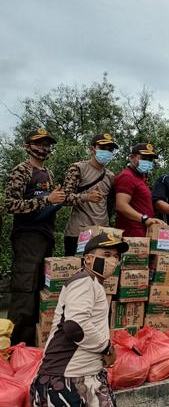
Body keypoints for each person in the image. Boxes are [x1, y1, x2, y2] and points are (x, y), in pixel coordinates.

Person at [31, 232, 129, 407]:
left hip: (83, 377)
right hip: (67, 379)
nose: (112, 260)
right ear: (88, 259)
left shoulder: (92, 282)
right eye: (106, 255)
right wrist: (106, 348)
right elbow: (75, 325)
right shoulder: (84, 281)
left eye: (116, 256)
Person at [4, 128, 65, 346]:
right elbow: (11, 205)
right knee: (24, 289)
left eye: (47, 144)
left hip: (45, 236)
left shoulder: (48, 173)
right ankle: (13, 346)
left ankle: (30, 346)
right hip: (26, 236)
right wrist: (47, 200)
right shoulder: (21, 171)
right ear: (27, 146)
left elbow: (48, 202)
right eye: (39, 143)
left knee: (40, 289)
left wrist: (56, 201)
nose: (43, 148)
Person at [62, 133, 118, 256]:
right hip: (78, 234)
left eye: (110, 149)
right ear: (92, 149)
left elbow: (112, 205)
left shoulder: (110, 176)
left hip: (101, 234)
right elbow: (63, 198)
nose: (107, 152)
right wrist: (86, 197)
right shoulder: (78, 168)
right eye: (103, 148)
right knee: (78, 273)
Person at [114, 143, 165, 237]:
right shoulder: (127, 176)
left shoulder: (140, 178)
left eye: (150, 159)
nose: (148, 162)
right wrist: (145, 219)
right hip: (131, 235)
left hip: (141, 234)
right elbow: (121, 205)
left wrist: (151, 219)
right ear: (131, 157)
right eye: (144, 158)